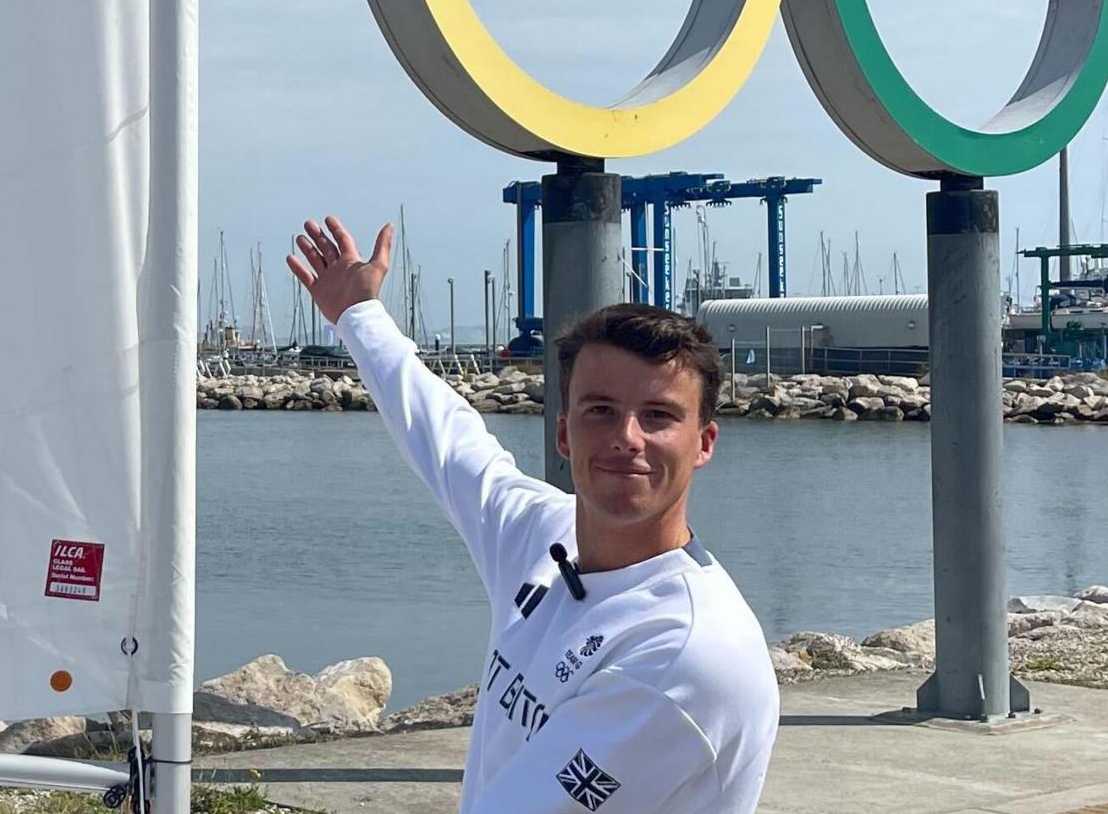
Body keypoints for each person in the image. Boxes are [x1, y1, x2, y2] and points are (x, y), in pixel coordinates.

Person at [288, 217, 777, 813]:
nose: (627, 437)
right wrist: (359, 314)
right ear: (565, 434)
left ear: (703, 443)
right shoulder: (545, 536)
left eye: (658, 415)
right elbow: (450, 442)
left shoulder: (689, 652)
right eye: (601, 409)